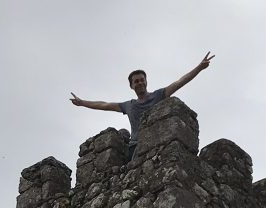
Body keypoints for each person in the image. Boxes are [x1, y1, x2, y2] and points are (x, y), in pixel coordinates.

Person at [70, 52, 214, 160]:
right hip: (135, 148)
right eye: (136, 81)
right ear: (131, 86)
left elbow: (180, 82)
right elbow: (104, 105)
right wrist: (82, 103)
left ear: (146, 82)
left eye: (141, 80)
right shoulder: (129, 106)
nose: (139, 83)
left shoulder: (159, 95)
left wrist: (199, 68)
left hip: (158, 143)